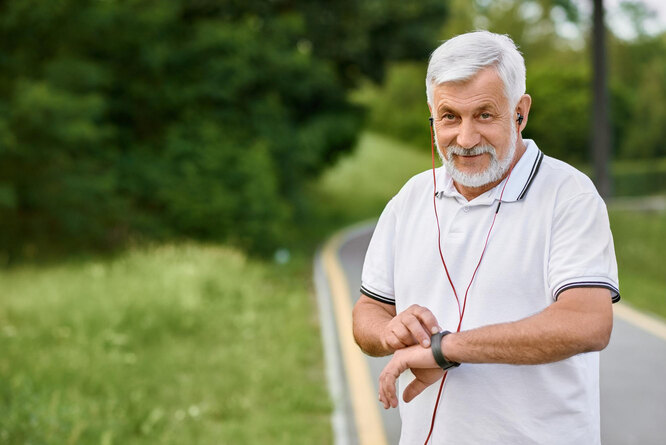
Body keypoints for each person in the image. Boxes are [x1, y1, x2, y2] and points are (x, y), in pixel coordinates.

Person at [352, 30, 619, 445]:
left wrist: (446, 348)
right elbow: (369, 309)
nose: (466, 138)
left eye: (485, 115)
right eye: (450, 117)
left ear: (520, 112)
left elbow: (588, 323)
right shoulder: (409, 199)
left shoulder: (569, 195)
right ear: (432, 115)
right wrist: (390, 333)